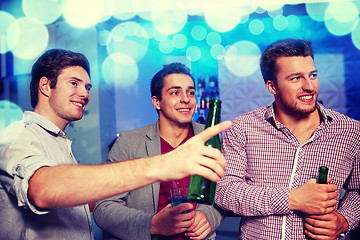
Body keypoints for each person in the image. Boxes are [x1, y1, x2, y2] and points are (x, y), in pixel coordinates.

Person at [0, 49, 231, 240]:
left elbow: (226, 193)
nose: (84, 93)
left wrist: (208, 216)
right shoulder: (17, 136)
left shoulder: (60, 142)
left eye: (87, 87)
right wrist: (163, 167)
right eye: (74, 83)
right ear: (45, 86)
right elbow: (43, 190)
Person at [215, 38, 360, 239]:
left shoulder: (351, 131)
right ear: (272, 87)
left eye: (313, 75)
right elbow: (224, 192)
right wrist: (293, 199)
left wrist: (345, 220)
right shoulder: (243, 128)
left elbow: (358, 191)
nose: (309, 86)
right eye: (295, 78)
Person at [93, 63, 223, 240]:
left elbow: (224, 194)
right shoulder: (129, 142)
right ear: (156, 101)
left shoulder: (210, 138)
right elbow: (104, 208)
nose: (186, 99)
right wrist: (152, 224)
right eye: (175, 92)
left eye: (191, 92)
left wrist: (208, 215)